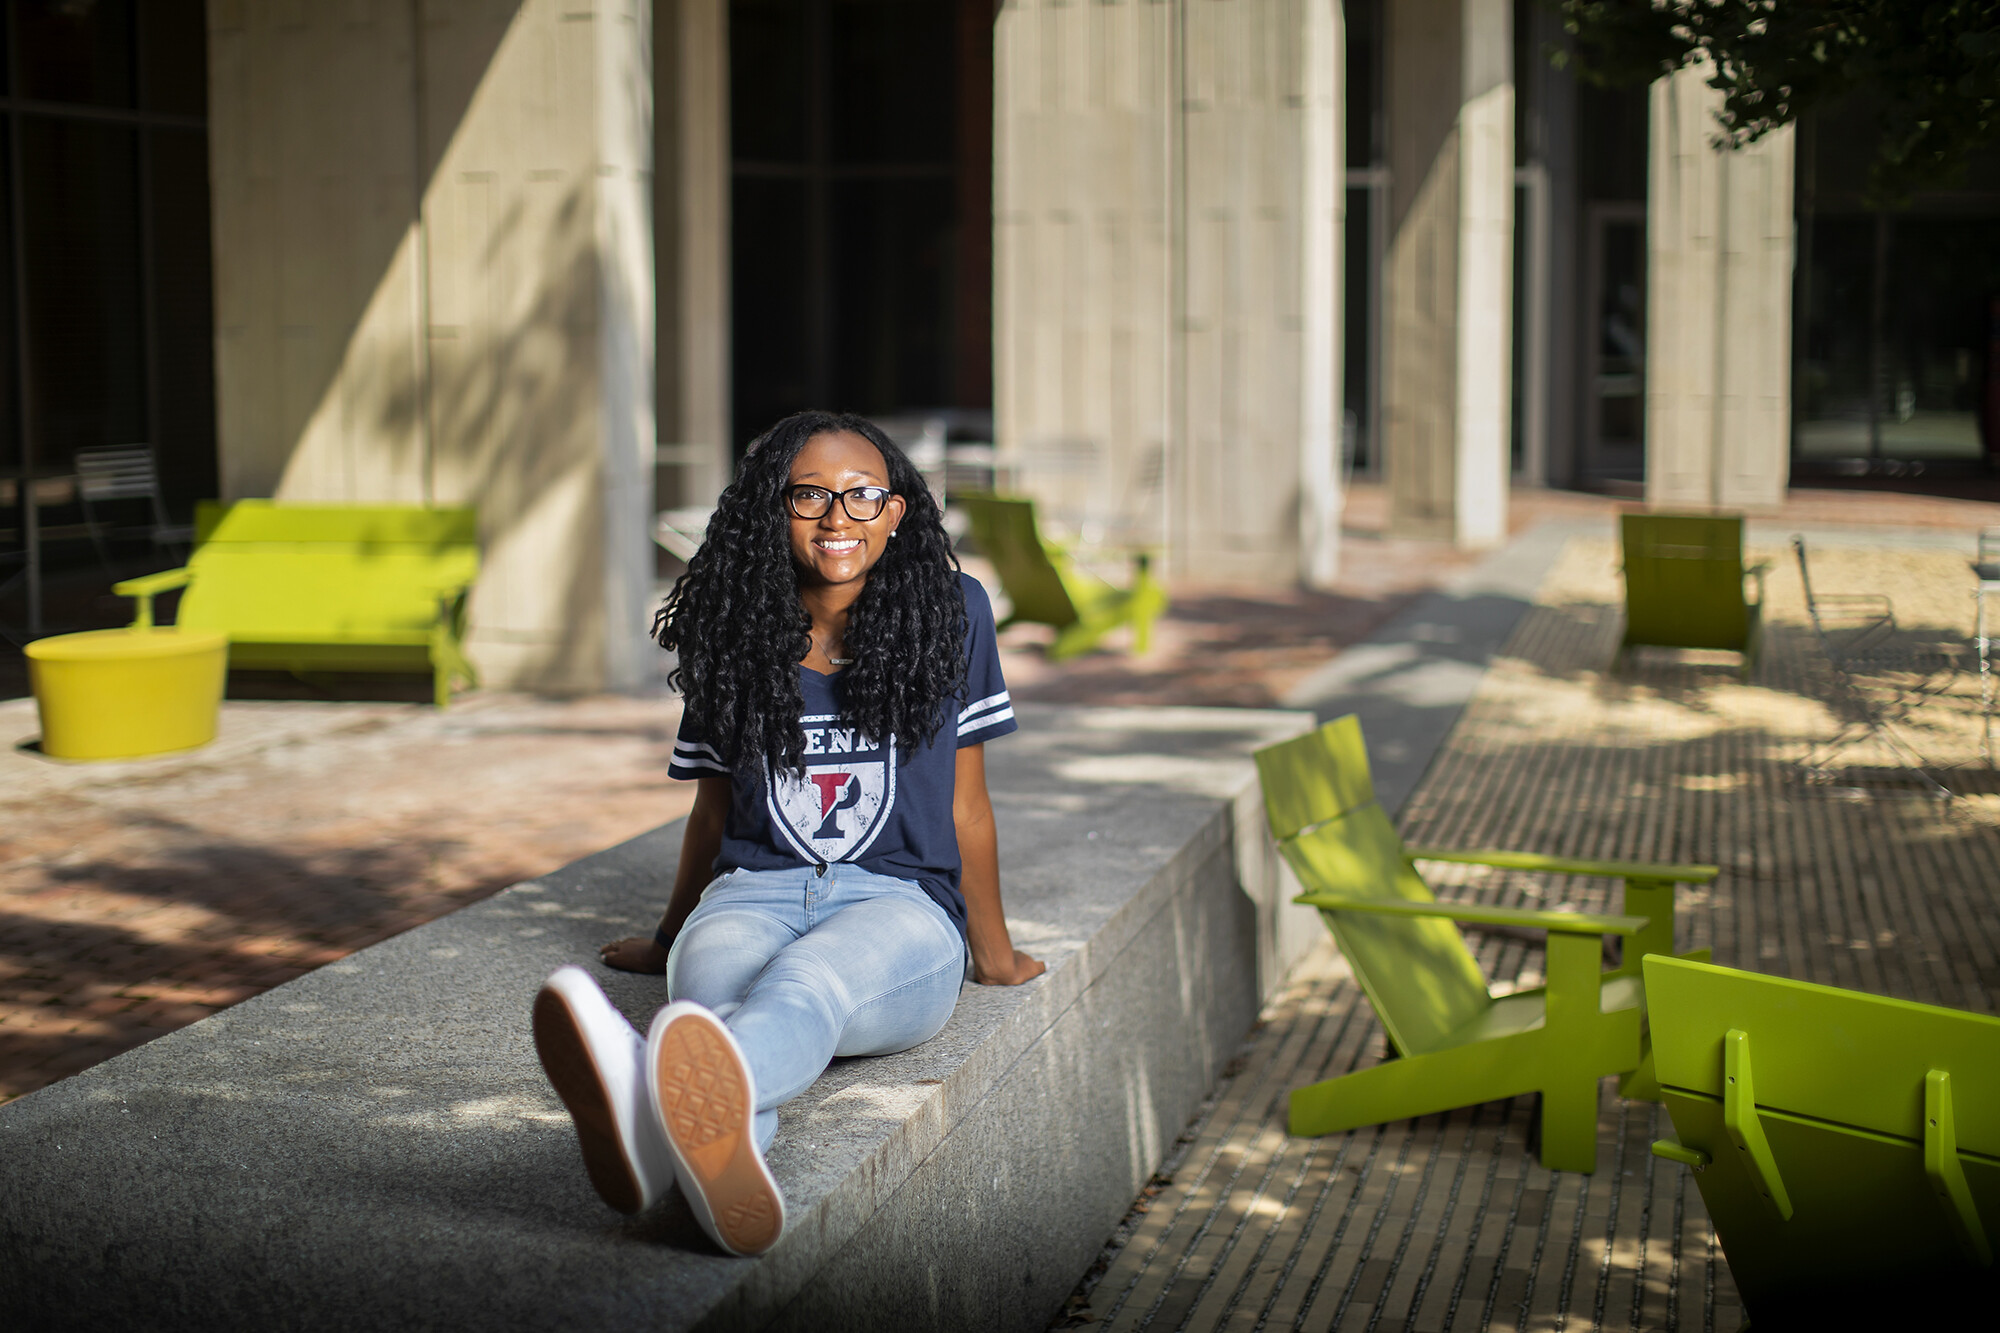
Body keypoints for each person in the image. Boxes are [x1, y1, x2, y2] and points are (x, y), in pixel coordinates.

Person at [530, 410, 1045, 1257]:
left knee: (805, 984)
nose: (836, 516)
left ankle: (638, 1100)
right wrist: (670, 936)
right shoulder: (738, 624)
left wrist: (991, 951)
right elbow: (714, 809)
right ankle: (697, 1156)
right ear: (772, 508)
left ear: (895, 511)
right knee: (710, 1013)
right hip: (750, 892)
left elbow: (967, 807)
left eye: (860, 495)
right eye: (809, 494)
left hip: (900, 907)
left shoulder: (953, 611)